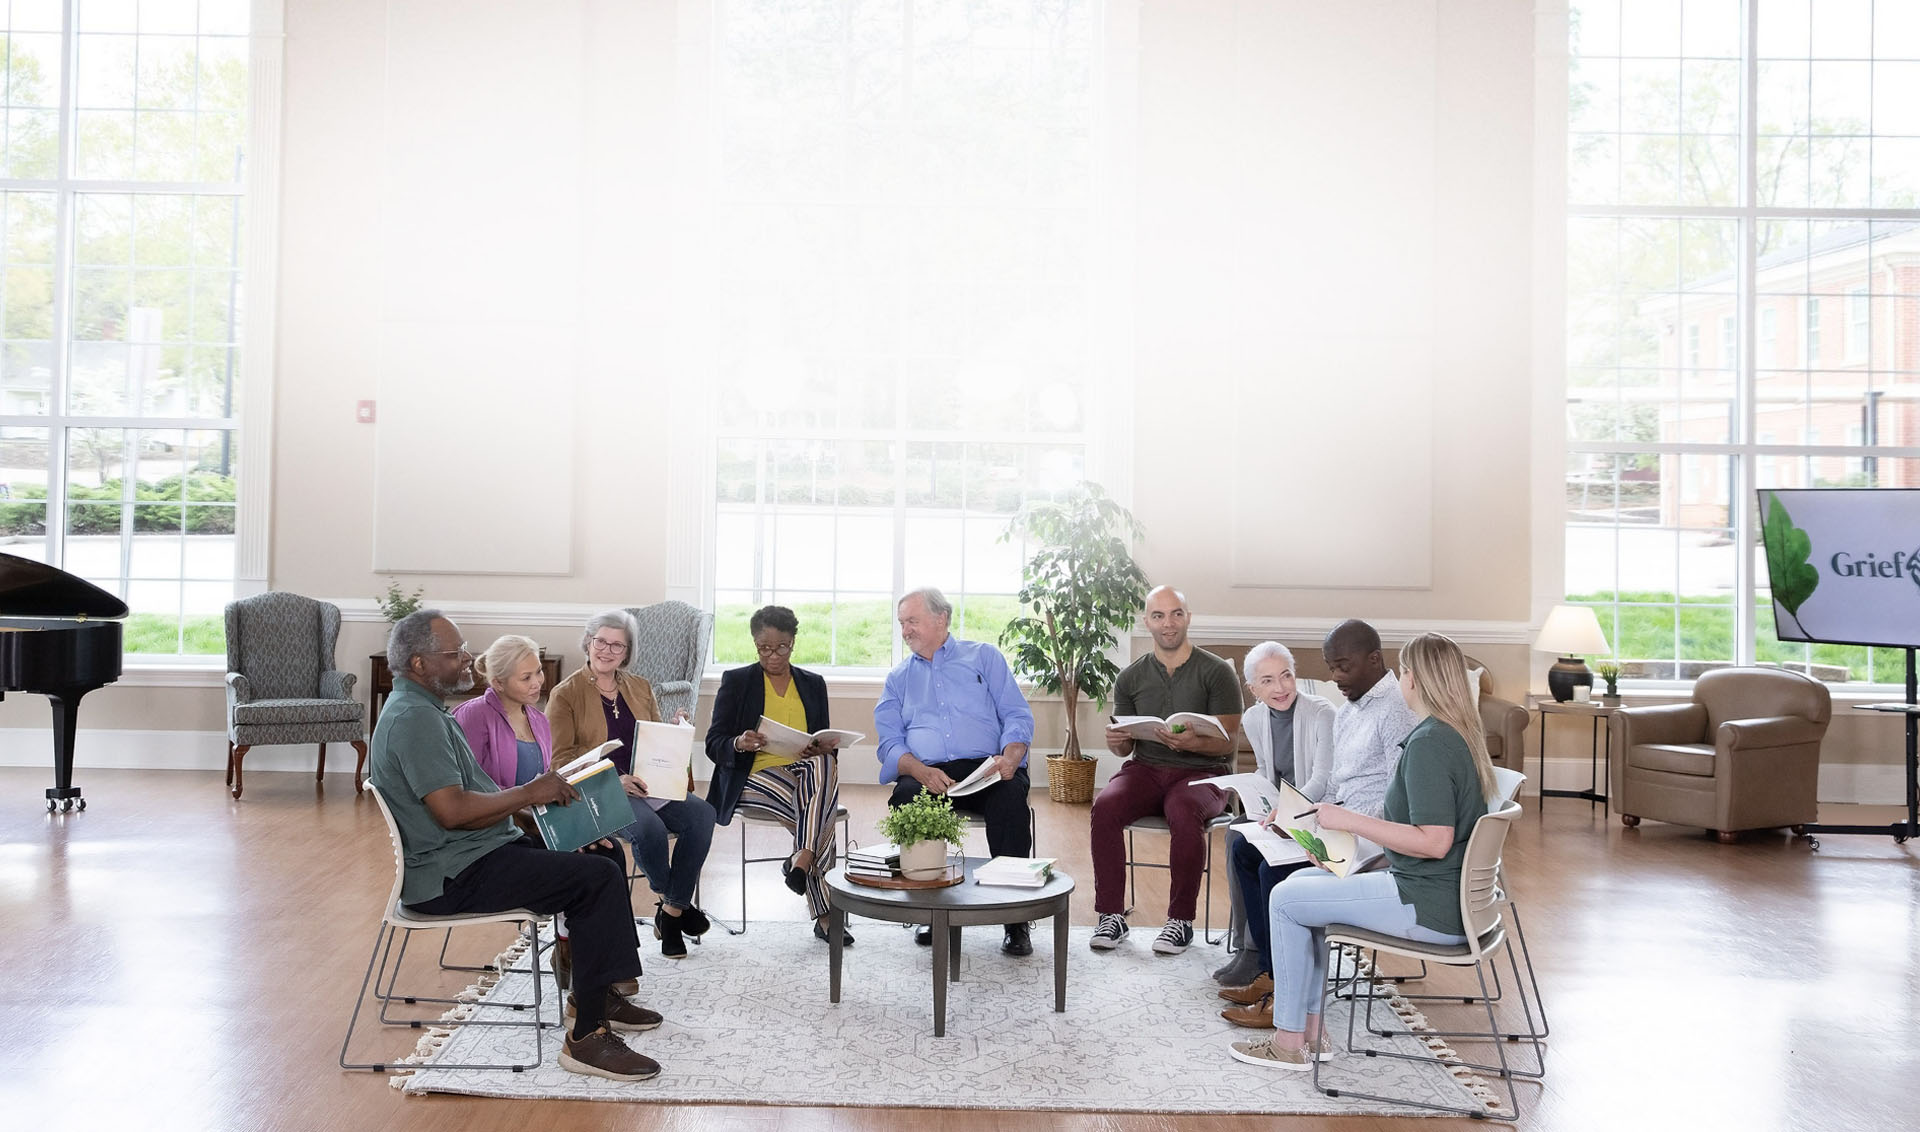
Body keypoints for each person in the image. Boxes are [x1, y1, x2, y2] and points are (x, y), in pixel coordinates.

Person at [368, 610, 660, 1083]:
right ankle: (586, 1036)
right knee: (598, 878)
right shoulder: (415, 720)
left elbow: (478, 802)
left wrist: (564, 828)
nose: (467, 659)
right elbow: (452, 811)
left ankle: (596, 991)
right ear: (419, 664)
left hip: (473, 853)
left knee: (601, 853)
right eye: (454, 653)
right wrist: (532, 792)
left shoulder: (426, 711)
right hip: (450, 876)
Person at [1229, 632, 1497, 1071]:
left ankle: (1290, 1039)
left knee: (1284, 898)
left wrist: (1346, 821)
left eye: (1405, 670)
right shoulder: (1453, 734)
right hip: (1438, 894)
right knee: (1299, 884)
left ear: (1418, 679)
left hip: (1426, 903)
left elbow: (1434, 841)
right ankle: (1311, 1034)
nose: (1401, 678)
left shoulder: (1430, 743)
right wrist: (1337, 853)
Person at [1217, 619, 1419, 1027]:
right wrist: (1295, 816)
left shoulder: (1395, 711)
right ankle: (1272, 973)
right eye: (1331, 667)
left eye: (1343, 666)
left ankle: (1284, 991)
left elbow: (1401, 801)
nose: (1335, 677)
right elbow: (1335, 785)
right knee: (1244, 846)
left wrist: (1332, 821)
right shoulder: (1352, 709)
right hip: (1335, 824)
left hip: (1364, 843)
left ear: (1375, 659)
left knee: (1274, 872)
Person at [452, 634, 637, 997]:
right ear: (498, 681)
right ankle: (585, 963)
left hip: (534, 823)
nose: (538, 682)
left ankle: (589, 957)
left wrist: (578, 825)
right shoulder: (474, 717)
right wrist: (546, 826)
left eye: (538, 672)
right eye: (526, 677)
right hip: (497, 831)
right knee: (595, 867)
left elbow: (546, 785)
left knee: (608, 851)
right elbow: (470, 792)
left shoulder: (537, 719)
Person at [875, 586, 1037, 956]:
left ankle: (1015, 921)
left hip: (989, 767)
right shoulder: (898, 679)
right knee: (905, 796)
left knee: (1011, 800)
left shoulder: (984, 657)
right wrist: (918, 769)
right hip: (929, 771)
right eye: (902, 624)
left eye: (912, 621)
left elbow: (1016, 715)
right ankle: (928, 911)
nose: (906, 631)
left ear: (941, 618)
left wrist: (1010, 758)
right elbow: (889, 742)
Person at [548, 609, 717, 959]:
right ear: (588, 642)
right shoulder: (565, 694)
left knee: (703, 815)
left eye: (617, 646)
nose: (607, 651)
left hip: (649, 781)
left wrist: (676, 728)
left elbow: (654, 739)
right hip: (602, 788)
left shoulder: (639, 687)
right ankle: (678, 906)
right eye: (601, 642)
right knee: (650, 830)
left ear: (627, 652)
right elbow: (560, 761)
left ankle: (670, 913)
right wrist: (614, 778)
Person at [1088, 586, 1243, 955]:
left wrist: (1190, 743)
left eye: (1176, 614)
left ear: (1188, 617)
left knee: (1182, 808)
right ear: (1147, 622)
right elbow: (1126, 746)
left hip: (1204, 773)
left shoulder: (1217, 672)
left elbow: (1228, 743)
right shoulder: (1129, 677)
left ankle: (1180, 921)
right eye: (1158, 616)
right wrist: (1117, 743)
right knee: (1105, 806)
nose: (1168, 623)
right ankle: (1111, 914)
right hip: (1146, 767)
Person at [704, 605, 851, 945]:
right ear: (755, 644)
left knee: (826, 765)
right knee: (818, 810)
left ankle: (802, 858)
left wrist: (822, 747)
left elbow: (823, 740)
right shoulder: (737, 681)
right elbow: (715, 743)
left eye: (781, 647)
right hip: (751, 777)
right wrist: (740, 742)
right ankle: (826, 911)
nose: (772, 655)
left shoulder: (813, 684)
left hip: (803, 772)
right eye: (764, 648)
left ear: (793, 642)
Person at [1210, 641, 1336, 993]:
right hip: (1285, 810)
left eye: (1286, 676)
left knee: (1264, 863)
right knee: (1237, 839)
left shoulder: (1321, 712)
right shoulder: (1254, 718)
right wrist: (1253, 794)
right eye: (1267, 681)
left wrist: (1290, 811)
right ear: (1253, 689)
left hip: (1318, 812)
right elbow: (1268, 771)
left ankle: (1264, 961)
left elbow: (1322, 780)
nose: (1280, 688)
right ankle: (1253, 951)